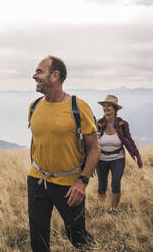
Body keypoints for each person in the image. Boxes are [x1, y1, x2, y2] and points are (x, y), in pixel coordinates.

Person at [28, 55, 100, 252]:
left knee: (77, 237)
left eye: (39, 72)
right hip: (37, 181)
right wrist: (35, 168)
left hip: (69, 185)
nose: (34, 75)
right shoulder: (34, 107)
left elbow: (94, 147)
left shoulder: (78, 107)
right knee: (38, 240)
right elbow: (36, 139)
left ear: (55, 75)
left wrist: (82, 181)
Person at [96, 94, 143, 214]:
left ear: (115, 109)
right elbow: (91, 143)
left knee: (116, 181)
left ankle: (113, 209)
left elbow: (129, 139)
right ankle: (101, 207)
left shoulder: (122, 124)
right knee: (102, 185)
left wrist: (137, 155)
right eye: (104, 106)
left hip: (118, 158)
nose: (106, 108)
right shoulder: (98, 123)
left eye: (109, 106)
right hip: (101, 159)